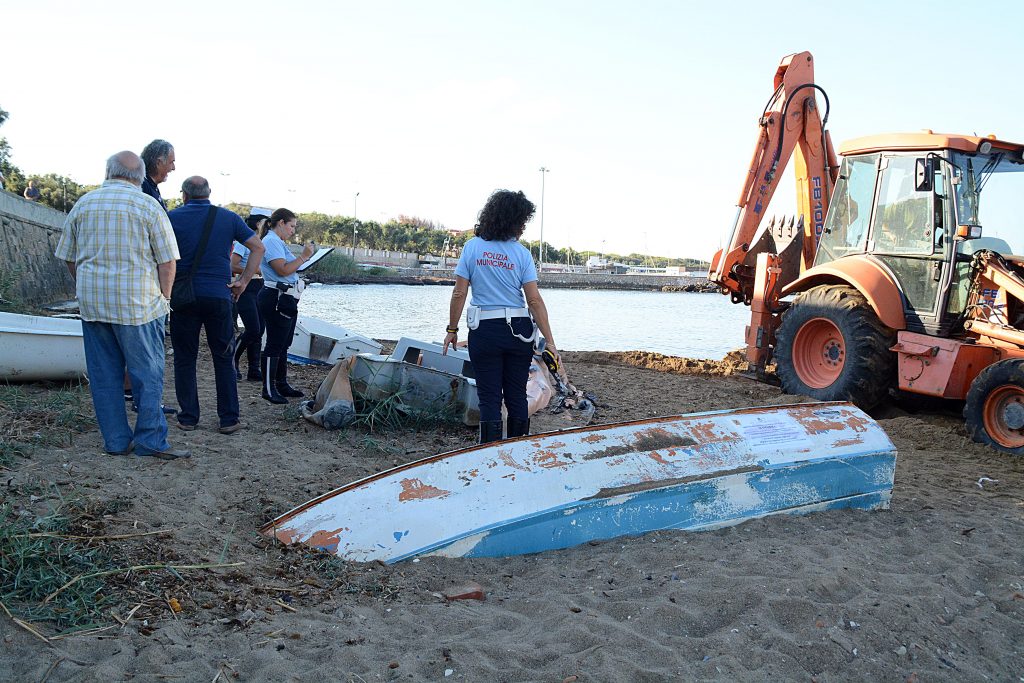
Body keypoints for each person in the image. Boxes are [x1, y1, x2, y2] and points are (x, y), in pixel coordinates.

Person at [54, 151, 189, 460]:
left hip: (94, 305)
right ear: (139, 176)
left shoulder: (83, 204)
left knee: (104, 376)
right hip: (138, 306)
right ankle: (150, 440)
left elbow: (69, 258)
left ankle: (115, 441)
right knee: (147, 375)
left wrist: (87, 286)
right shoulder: (148, 206)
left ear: (108, 172)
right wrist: (165, 299)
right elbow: (167, 262)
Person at [442, 189, 559, 443]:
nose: (523, 227)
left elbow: (459, 293)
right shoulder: (522, 254)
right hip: (519, 330)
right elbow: (534, 300)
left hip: (485, 330)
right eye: (522, 221)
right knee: (517, 395)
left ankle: (490, 452)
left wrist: (452, 330)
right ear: (513, 221)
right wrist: (550, 341)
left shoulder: (472, 248)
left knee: (489, 397)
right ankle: (518, 449)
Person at [167, 177, 265, 433]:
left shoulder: (171, 217)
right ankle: (229, 419)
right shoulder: (228, 217)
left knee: (184, 358)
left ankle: (188, 417)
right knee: (223, 357)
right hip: (219, 295)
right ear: (209, 193)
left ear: (184, 195)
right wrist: (243, 281)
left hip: (183, 296)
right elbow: (258, 247)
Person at [257, 208, 314, 404]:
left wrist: (303, 260)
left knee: (283, 343)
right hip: (276, 296)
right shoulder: (271, 241)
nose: (293, 230)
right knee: (274, 343)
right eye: (291, 226)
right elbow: (282, 270)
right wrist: (303, 257)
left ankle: (281, 384)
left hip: (286, 297)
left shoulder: (277, 241)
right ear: (281, 223)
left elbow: (289, 268)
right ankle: (268, 388)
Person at [231, 213, 268, 382]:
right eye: (266, 223)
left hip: (260, 286)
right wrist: (253, 270)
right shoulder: (243, 243)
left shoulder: (262, 243)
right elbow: (232, 265)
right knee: (253, 329)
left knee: (259, 330)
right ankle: (233, 360)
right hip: (246, 286)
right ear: (258, 224)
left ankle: (254, 369)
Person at [140, 139, 175, 211]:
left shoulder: (151, 185)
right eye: (171, 162)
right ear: (158, 163)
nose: (173, 168)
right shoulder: (143, 187)